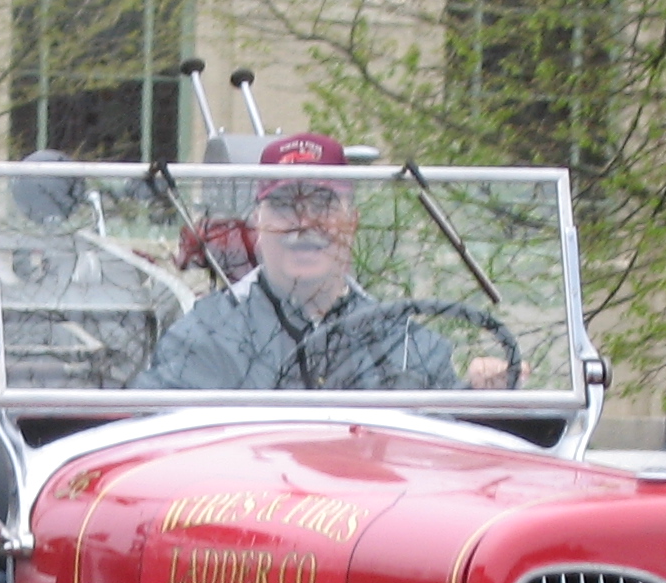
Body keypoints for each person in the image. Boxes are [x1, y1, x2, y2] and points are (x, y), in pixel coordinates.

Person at [143, 134, 457, 392]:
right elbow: (148, 428)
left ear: (352, 222)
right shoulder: (203, 338)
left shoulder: (404, 345)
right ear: (258, 224)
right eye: (284, 205)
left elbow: (453, 435)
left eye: (322, 204)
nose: (304, 223)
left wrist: (485, 390)